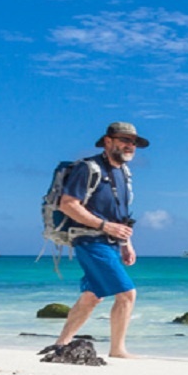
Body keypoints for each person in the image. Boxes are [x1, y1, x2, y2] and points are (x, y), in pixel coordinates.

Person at [48, 122, 144, 359]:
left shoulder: (123, 173)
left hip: (110, 242)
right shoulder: (89, 168)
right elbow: (68, 204)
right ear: (108, 141)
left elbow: (121, 215)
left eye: (133, 142)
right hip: (90, 240)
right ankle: (118, 349)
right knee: (127, 293)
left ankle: (61, 344)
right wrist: (104, 226)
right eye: (124, 140)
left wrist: (126, 243)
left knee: (92, 296)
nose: (130, 145)